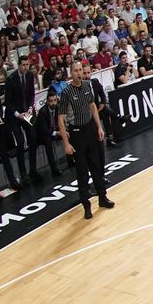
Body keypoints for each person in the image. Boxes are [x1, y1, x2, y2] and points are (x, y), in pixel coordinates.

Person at [58, 60, 114, 220]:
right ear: (71, 73)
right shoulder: (66, 92)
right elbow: (60, 119)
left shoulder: (87, 86)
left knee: (96, 165)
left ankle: (102, 198)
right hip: (76, 133)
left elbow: (92, 106)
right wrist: (66, 143)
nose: (78, 73)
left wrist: (99, 126)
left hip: (90, 129)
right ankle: (86, 205)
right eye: (75, 70)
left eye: (80, 70)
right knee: (82, 171)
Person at [4, 57, 42, 188]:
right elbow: (7, 102)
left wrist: (31, 107)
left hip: (27, 112)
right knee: (20, 142)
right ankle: (23, 173)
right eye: (24, 65)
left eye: (27, 65)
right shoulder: (11, 79)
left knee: (33, 139)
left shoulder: (30, 75)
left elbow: (31, 94)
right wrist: (17, 114)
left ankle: (33, 170)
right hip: (15, 115)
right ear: (19, 65)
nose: (26, 67)